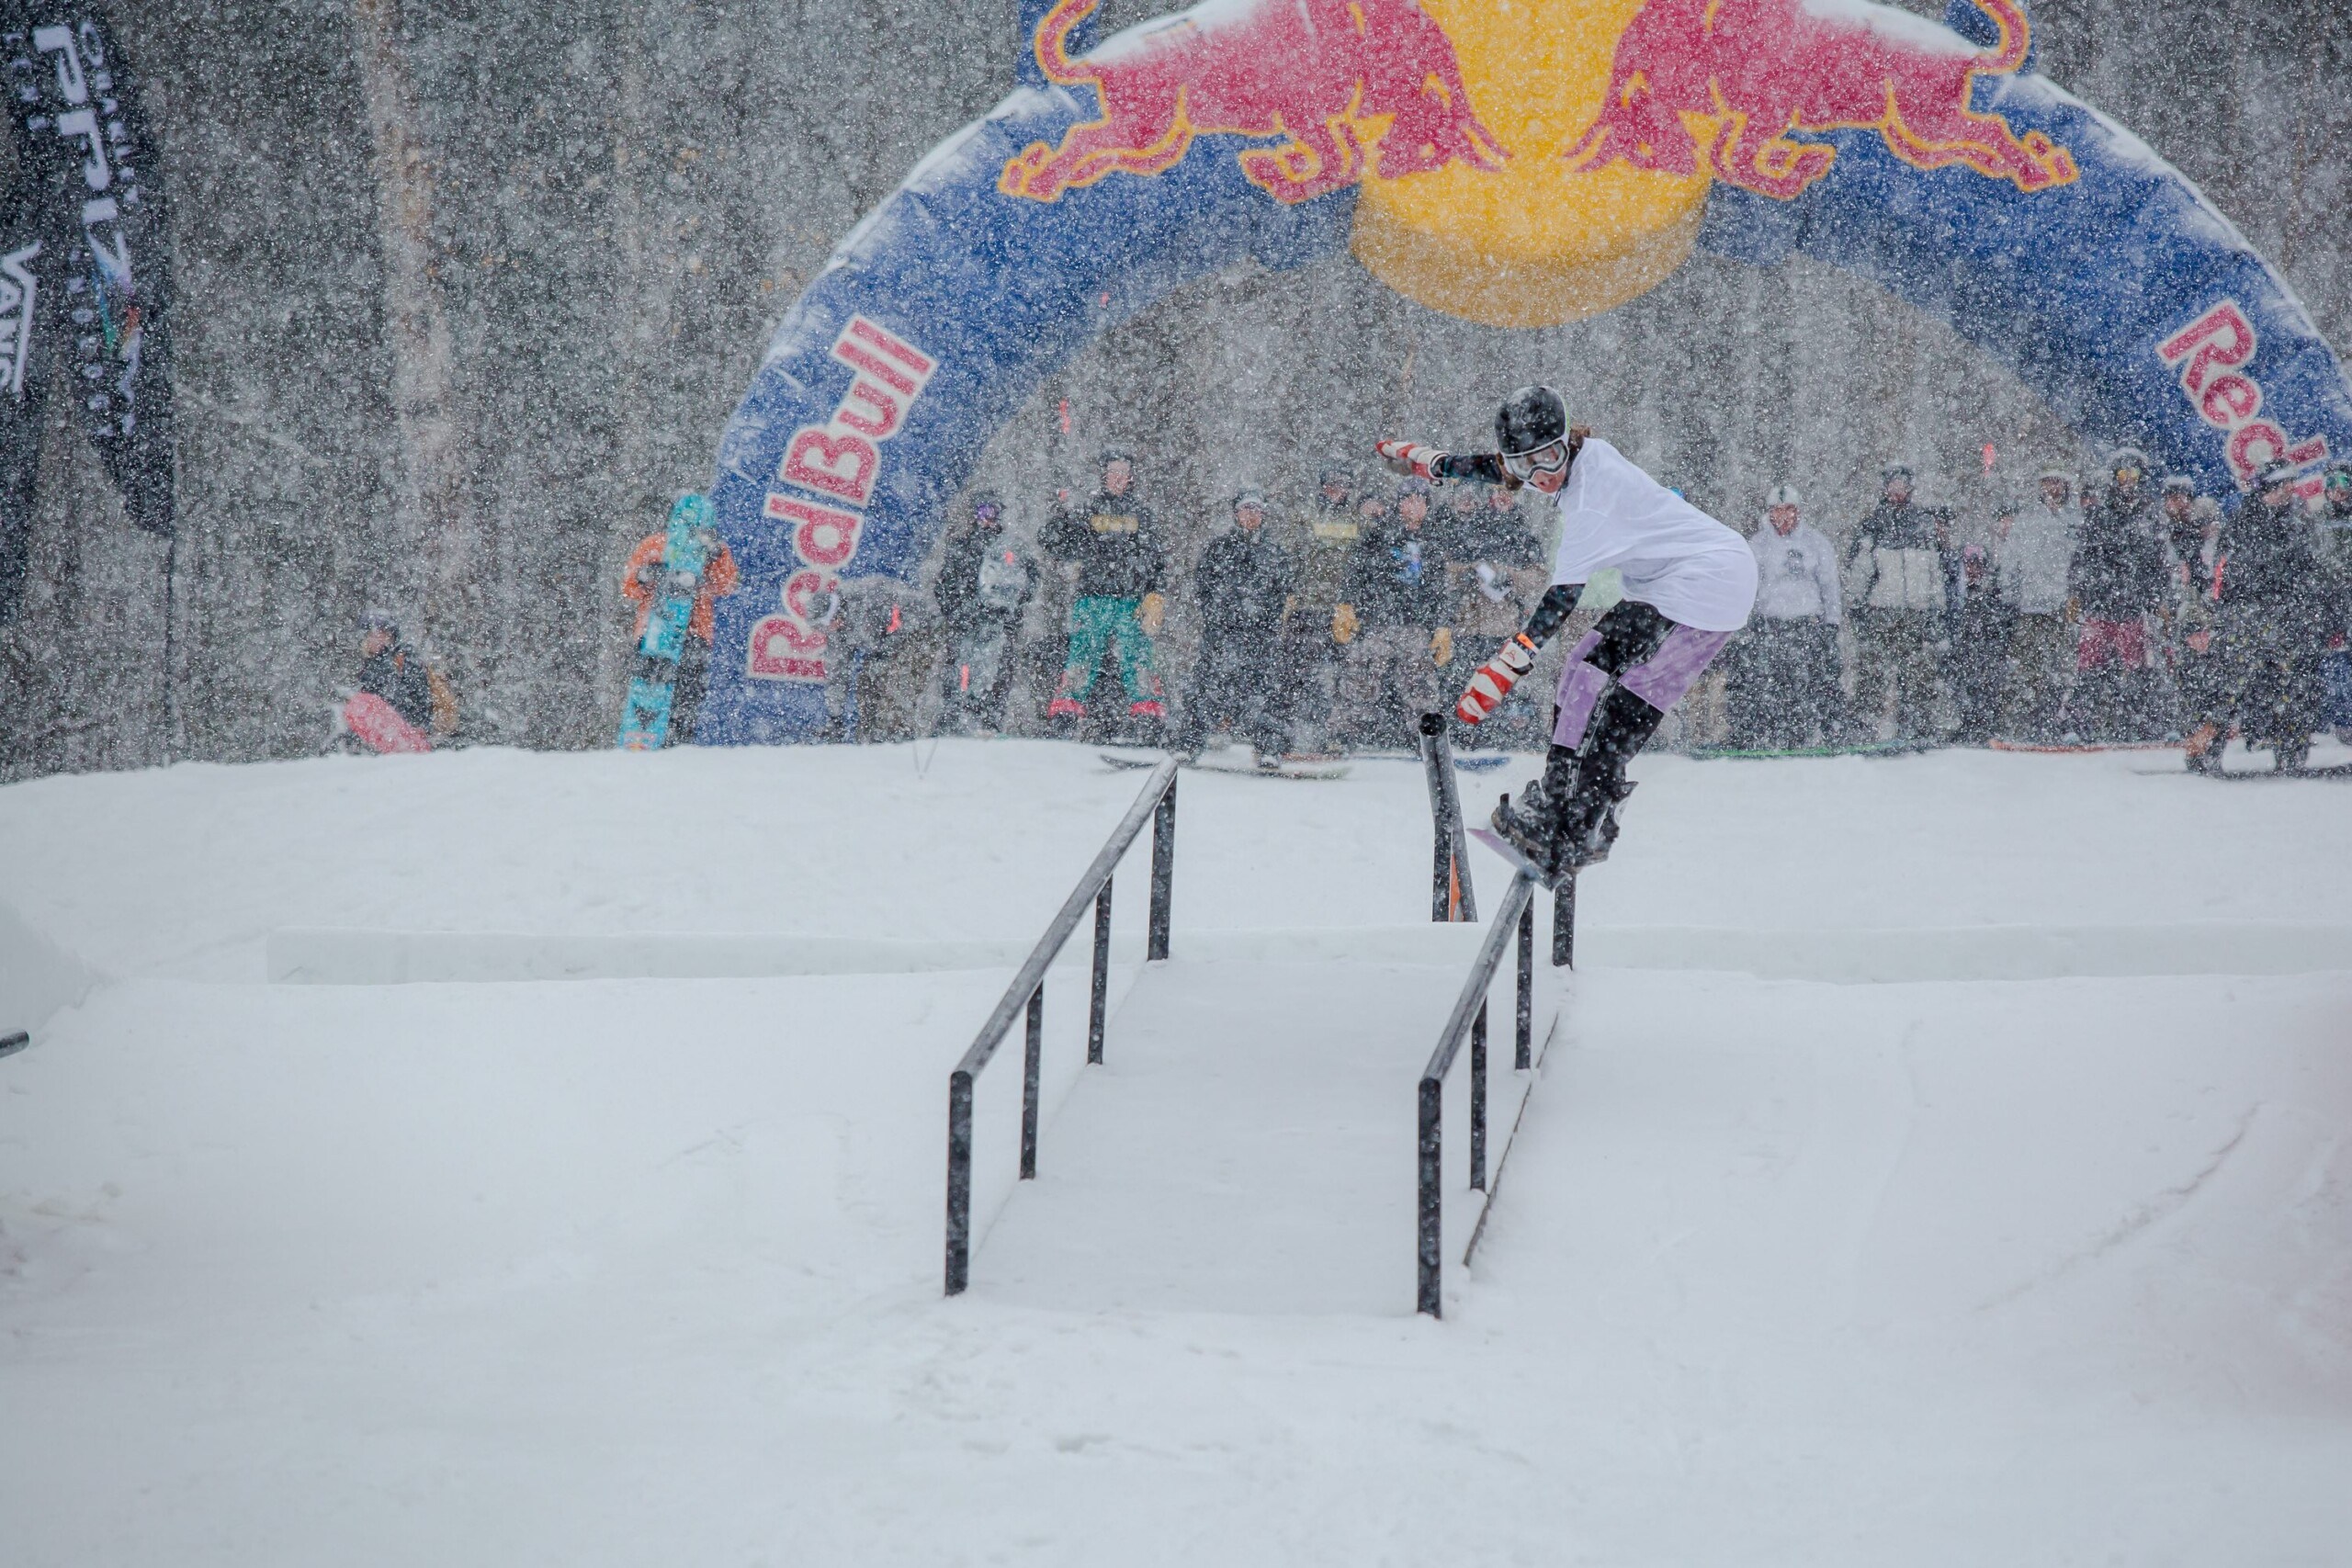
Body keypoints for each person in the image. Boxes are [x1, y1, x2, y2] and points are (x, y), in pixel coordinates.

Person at [1379, 386, 1756, 881]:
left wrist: (1511, 660)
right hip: (1667, 583)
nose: (1542, 476)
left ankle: (1581, 822)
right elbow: (1502, 469)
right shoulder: (1560, 465)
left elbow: (1562, 596)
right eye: (1527, 466)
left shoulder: (1593, 498)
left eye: (1549, 458)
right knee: (1581, 669)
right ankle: (1560, 795)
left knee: (1619, 698)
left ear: (1568, 441)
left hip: (1710, 582)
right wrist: (1438, 465)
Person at [2186, 458, 2330, 773]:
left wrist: (2304, 605)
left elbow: (2311, 569)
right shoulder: (2242, 522)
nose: (2288, 492)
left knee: (2292, 688)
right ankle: (2206, 747)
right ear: (2268, 488)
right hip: (2245, 617)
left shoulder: (2298, 522)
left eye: (2290, 486)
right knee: (2227, 687)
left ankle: (2291, 750)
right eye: (2282, 486)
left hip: (2287, 618)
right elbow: (2226, 574)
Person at [1042, 450, 1169, 739]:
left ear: (1131, 476)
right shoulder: (1089, 509)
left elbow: (1156, 558)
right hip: (1093, 597)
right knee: (1083, 654)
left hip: (1131, 600)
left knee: (1137, 657)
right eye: (1113, 471)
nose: (1118, 477)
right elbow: (1054, 543)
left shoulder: (1141, 514)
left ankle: (1147, 716)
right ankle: (1067, 713)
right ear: (1104, 474)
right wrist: (1062, 515)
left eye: (1124, 471)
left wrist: (1155, 594)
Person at [1335, 478, 1454, 749]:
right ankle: (1345, 736)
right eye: (1408, 500)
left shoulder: (1433, 542)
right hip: (1378, 620)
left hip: (1415, 625)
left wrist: (1443, 626)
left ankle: (1426, 741)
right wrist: (1346, 606)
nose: (1414, 506)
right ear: (1399, 504)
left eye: (1420, 501)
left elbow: (1442, 590)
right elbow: (1354, 572)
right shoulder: (1378, 535)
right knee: (1360, 676)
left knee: (1421, 685)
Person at [1178, 491, 1295, 762]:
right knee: (1206, 688)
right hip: (1222, 633)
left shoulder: (1275, 553)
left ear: (1263, 514)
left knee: (1264, 692)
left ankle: (1269, 748)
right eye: (1246, 509)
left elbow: (1283, 593)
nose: (1251, 515)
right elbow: (1203, 588)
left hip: (1260, 636)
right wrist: (1218, 619)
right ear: (1236, 513)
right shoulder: (1218, 549)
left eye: (1256, 509)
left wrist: (1267, 623)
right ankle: (1189, 743)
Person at [2066, 446, 2171, 740]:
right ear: (2114, 478)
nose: (2128, 481)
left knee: (2139, 668)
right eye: (2123, 474)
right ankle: (2079, 725)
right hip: (2100, 603)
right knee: (2090, 668)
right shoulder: (2099, 514)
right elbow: (2082, 557)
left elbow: (2158, 562)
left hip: (2134, 606)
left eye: (2134, 474)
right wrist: (2077, 593)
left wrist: (2159, 599)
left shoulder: (2150, 516)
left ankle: (2144, 726)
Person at [1729, 483, 1842, 748]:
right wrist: (1744, 622)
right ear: (1769, 513)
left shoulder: (1816, 543)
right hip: (1770, 624)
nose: (1784, 516)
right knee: (1768, 681)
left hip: (1807, 624)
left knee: (1807, 681)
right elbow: (1747, 586)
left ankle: (1801, 734)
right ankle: (1762, 734)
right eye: (1778, 510)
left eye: (1789, 510)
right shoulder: (1757, 545)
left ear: (1798, 512)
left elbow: (1829, 584)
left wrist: (1832, 621)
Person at [1842, 465, 1946, 743]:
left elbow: (1934, 571)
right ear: (1885, 488)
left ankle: (1917, 727)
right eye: (1893, 485)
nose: (1898, 491)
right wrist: (1857, 608)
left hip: (1917, 611)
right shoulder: (1873, 524)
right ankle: (1864, 727)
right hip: (1881, 611)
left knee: (1918, 673)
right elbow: (1859, 571)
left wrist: (1937, 609)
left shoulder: (1923, 523)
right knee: (1872, 672)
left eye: (1903, 485)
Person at [622, 508, 741, 743]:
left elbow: (727, 585)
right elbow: (628, 588)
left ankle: (677, 741)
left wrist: (716, 556)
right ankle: (641, 735)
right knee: (647, 689)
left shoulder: (713, 550)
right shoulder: (654, 544)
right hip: (653, 633)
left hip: (694, 633)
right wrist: (645, 577)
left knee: (686, 695)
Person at [1447, 479, 1551, 748]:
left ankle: (1508, 735)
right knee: (1467, 680)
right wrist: (1469, 572)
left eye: (1508, 493)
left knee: (1507, 684)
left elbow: (1539, 577)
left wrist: (1510, 577)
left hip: (1505, 625)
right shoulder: (1469, 529)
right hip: (1469, 623)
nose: (1502, 498)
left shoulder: (1523, 533)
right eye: (1497, 492)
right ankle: (1466, 733)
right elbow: (1446, 569)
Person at [1275, 467, 1365, 755]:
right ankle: (1289, 734)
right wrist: (1290, 595)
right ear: (1322, 487)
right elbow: (1290, 557)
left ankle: (1335, 735)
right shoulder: (1304, 516)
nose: (1337, 490)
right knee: (1298, 673)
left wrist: (1351, 601)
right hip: (1307, 607)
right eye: (1332, 485)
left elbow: (1363, 565)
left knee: (1339, 677)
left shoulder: (1357, 520)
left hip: (1343, 612)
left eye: (1343, 484)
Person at [933, 491, 1036, 735]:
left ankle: (989, 721)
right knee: (961, 670)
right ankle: (955, 717)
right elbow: (944, 584)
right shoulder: (962, 546)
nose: (987, 519)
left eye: (992, 513)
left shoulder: (1011, 548)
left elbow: (1029, 580)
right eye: (982, 512)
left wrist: (1011, 609)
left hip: (999, 623)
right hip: (966, 623)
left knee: (994, 673)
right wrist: (956, 612)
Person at [1995, 469, 2077, 741]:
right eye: (2047, 483)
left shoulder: (2074, 519)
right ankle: (2023, 725)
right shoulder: (2027, 520)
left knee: (2064, 670)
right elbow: (2011, 561)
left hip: (2063, 609)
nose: (2052, 489)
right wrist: (2010, 598)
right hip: (2030, 608)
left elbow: (2081, 562)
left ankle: (2059, 723)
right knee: (2028, 669)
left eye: (2057, 482)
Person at [2307, 460, 2352, 742]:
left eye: (2343, 484)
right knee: (2335, 660)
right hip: (2330, 600)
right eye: (2331, 484)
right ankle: (2339, 719)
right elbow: (2315, 558)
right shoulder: (2318, 520)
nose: (2337, 491)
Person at [1950, 540, 2012, 744]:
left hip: (1987, 648)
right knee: (1963, 684)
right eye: (1969, 564)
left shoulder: (1991, 592)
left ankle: (1986, 725)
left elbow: (2001, 622)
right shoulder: (1957, 592)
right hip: (1964, 649)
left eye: (1978, 564)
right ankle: (1968, 723)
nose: (1973, 569)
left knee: (1988, 685)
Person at [356, 609, 433, 734]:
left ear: (390, 637)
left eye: (380, 634)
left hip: (401, 731)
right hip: (382, 732)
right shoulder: (369, 664)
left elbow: (420, 697)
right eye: (370, 635)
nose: (374, 639)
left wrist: (419, 724)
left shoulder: (402, 660)